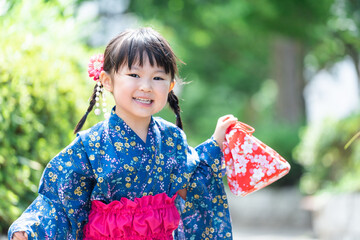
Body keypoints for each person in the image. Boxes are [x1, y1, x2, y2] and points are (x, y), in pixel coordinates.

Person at [9, 27, 237, 240]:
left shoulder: (172, 139)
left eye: (158, 78)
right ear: (107, 81)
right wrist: (30, 229)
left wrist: (216, 141)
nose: (146, 86)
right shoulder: (91, 144)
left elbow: (192, 186)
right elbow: (58, 199)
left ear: (170, 86)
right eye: (134, 75)